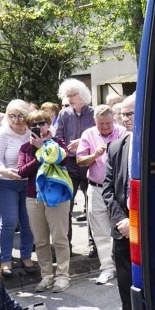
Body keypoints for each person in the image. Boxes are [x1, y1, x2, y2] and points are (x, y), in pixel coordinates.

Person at [101, 95, 141, 310]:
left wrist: (136, 223)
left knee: (149, 286)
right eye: (122, 115)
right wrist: (122, 222)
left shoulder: (154, 144)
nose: (125, 119)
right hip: (123, 229)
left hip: (146, 229)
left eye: (130, 114)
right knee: (126, 288)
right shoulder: (116, 146)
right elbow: (107, 189)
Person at [17, 110, 72, 293]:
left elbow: (62, 161)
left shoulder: (58, 143)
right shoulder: (25, 148)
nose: (38, 127)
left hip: (57, 197)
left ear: (49, 124)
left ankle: (63, 276)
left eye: (42, 123)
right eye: (33, 124)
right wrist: (37, 151)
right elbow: (22, 171)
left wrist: (44, 146)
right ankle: (46, 275)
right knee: (40, 241)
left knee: (59, 238)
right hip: (33, 197)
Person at [76, 105, 125, 284]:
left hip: (118, 188)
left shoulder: (122, 132)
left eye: (108, 123)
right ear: (95, 122)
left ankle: (122, 265)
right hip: (96, 187)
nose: (105, 127)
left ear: (114, 120)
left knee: (122, 228)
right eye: (101, 124)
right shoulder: (88, 134)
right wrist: (94, 155)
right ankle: (107, 268)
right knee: (100, 230)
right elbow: (80, 161)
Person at [0, 99, 36, 276]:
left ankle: (26, 256)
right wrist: (4, 171)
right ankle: (6, 260)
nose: (16, 120)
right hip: (5, 182)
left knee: (28, 222)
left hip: (28, 182)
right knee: (9, 221)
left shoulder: (32, 132)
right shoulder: (2, 134)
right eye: (12, 116)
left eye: (20, 116)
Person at [57, 79, 94, 234]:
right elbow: (58, 137)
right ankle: (67, 246)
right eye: (67, 95)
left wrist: (83, 142)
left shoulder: (93, 113)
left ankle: (93, 245)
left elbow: (100, 136)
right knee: (67, 206)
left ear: (83, 95)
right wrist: (65, 147)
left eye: (73, 95)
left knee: (92, 206)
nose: (70, 98)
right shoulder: (64, 114)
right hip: (70, 163)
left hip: (90, 162)